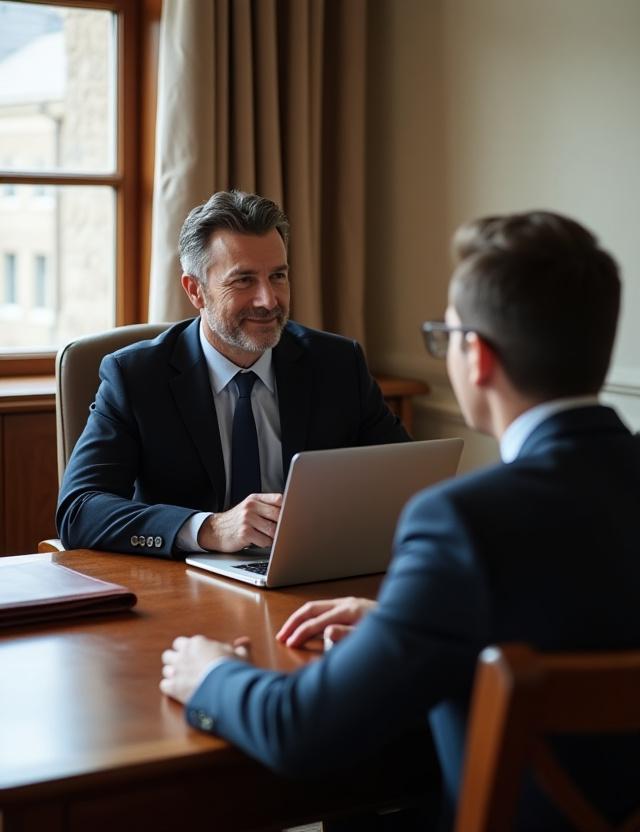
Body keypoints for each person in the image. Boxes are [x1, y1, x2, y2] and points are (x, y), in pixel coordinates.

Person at [160, 210, 640, 829]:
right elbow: (580, 624)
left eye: (448, 334)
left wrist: (211, 675)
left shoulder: (462, 523)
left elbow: (301, 730)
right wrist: (407, 623)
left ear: (476, 357)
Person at [56, 190, 408, 556]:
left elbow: (406, 479)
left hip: (311, 570)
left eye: (278, 276)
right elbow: (79, 511)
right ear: (195, 291)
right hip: (185, 579)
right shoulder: (136, 377)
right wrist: (208, 528)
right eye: (243, 280)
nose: (268, 300)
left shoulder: (337, 365)